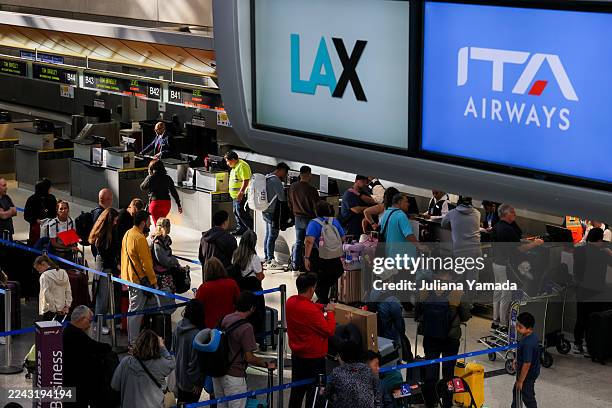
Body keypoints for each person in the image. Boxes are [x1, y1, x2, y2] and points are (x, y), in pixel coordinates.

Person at [213, 291, 277, 408]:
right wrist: (266, 364)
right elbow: (249, 357)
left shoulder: (225, 318)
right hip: (234, 376)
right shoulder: (246, 327)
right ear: (252, 308)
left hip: (218, 373)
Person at [415, 281, 471, 408]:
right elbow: (466, 316)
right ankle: (446, 404)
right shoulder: (457, 292)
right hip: (450, 339)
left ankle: (431, 403)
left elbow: (417, 315)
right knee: (448, 373)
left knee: (431, 373)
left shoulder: (424, 290)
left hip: (430, 338)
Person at [287, 273, 336, 408]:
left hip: (298, 357)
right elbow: (329, 330)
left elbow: (307, 307)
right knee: (315, 394)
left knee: (296, 392)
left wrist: (321, 307)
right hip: (315, 359)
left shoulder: (290, 302)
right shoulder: (311, 311)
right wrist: (330, 312)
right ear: (311, 289)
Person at [491, 204, 544, 331]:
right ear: (506, 214)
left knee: (498, 293)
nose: (515, 214)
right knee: (506, 295)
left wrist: (526, 241)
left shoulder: (497, 226)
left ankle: (495, 321)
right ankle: (503, 324)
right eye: (513, 212)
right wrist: (535, 243)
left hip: (496, 263)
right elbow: (519, 249)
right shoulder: (507, 229)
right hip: (506, 265)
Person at [63, 305, 114, 408]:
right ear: (81, 319)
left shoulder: (67, 331)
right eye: (89, 321)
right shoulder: (78, 337)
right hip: (78, 387)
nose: (90, 325)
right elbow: (99, 347)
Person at [111, 329, 176, 408]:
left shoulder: (126, 362)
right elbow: (171, 363)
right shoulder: (160, 364)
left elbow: (114, 385)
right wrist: (162, 346)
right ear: (156, 346)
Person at [572, 228, 612, 354]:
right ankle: (591, 347)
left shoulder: (578, 250)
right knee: (593, 320)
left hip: (581, 288)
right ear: (600, 240)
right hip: (597, 290)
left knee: (581, 317)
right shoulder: (603, 254)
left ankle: (577, 343)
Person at [121, 210, 157, 346]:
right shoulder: (140, 238)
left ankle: (133, 340)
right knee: (135, 312)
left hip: (129, 277)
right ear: (143, 222)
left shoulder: (128, 233)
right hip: (138, 280)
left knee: (133, 310)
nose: (150, 223)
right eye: (148, 221)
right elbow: (146, 263)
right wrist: (153, 281)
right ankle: (134, 342)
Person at [304, 201, 345, 303]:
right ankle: (330, 299)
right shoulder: (335, 221)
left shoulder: (314, 223)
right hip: (335, 258)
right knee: (332, 277)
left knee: (320, 281)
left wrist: (306, 258)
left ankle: (323, 303)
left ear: (316, 212)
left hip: (320, 259)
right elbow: (343, 238)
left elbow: (309, 242)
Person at [89, 207, 121, 335]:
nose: (115, 223)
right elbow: (104, 253)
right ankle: (98, 324)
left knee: (107, 297)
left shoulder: (111, 231)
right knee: (102, 298)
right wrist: (115, 266)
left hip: (108, 266)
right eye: (114, 220)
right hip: (104, 268)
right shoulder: (103, 235)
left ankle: (103, 322)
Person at [149, 217, 181, 346]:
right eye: (168, 226)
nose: (169, 229)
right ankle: (163, 337)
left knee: (167, 302)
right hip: (161, 278)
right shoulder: (157, 243)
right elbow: (164, 260)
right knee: (163, 304)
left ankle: (166, 335)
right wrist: (174, 261)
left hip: (167, 276)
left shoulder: (165, 240)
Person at [325, 341, 381, 408]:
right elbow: (377, 393)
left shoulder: (337, 372)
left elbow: (328, 394)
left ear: (342, 356)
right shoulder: (368, 370)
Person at [231, 230, 266, 339]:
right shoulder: (254, 258)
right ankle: (257, 336)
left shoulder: (235, 255)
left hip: (240, 290)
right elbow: (260, 276)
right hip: (253, 291)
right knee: (256, 315)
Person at [172, 299, 206, 404]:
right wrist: (197, 382)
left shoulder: (178, 327)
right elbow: (194, 363)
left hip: (179, 376)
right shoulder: (197, 335)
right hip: (191, 384)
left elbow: (174, 349)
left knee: (181, 402)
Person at [288, 165, 320, 271]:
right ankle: (311, 264)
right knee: (312, 242)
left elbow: (290, 203)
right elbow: (317, 206)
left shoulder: (292, 187)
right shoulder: (312, 190)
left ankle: (296, 265)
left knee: (299, 242)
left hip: (297, 218)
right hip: (310, 219)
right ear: (308, 174)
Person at [195, 257, 240, 329]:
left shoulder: (204, 288)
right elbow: (238, 302)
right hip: (229, 323)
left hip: (210, 326)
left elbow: (197, 308)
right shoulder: (232, 283)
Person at [262, 162, 289, 269]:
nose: (285, 176)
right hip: (273, 212)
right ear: (281, 170)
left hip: (265, 210)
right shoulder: (276, 180)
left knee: (268, 234)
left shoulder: (268, 177)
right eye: (285, 174)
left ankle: (267, 257)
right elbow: (282, 198)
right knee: (272, 235)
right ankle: (270, 259)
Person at [512, 312, 541, 408]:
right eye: (517, 325)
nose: (517, 328)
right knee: (516, 391)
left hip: (527, 375)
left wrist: (520, 381)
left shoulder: (528, 344)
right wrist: (516, 359)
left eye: (520, 327)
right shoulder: (530, 336)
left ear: (529, 329)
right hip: (529, 373)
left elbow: (527, 364)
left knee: (527, 397)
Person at [140, 159, 182, 225]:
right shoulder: (168, 178)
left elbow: (142, 187)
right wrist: (179, 204)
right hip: (166, 204)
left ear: (151, 168)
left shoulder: (151, 177)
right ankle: (163, 234)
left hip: (155, 204)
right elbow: (173, 192)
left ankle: (160, 235)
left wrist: (149, 176)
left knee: (158, 226)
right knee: (162, 224)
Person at [34, 255, 72, 321]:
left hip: (50, 310)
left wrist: (55, 309)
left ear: (43, 264)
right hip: (63, 309)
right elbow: (68, 290)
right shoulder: (63, 272)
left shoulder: (44, 276)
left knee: (47, 330)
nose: (39, 272)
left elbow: (46, 294)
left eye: (38, 269)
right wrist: (67, 306)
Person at [339, 174, 377, 239]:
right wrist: (370, 209)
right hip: (352, 228)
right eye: (363, 181)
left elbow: (372, 201)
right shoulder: (349, 194)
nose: (365, 183)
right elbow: (357, 210)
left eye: (366, 181)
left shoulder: (363, 192)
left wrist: (359, 194)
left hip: (362, 227)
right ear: (356, 181)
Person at [225, 150, 253, 235]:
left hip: (242, 195)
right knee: (236, 212)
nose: (227, 163)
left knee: (241, 212)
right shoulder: (235, 166)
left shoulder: (242, 166)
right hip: (235, 196)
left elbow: (246, 180)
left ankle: (250, 230)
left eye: (228, 161)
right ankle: (241, 229)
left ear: (233, 159)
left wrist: (241, 193)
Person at [23, 178, 57, 246]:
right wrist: (36, 220)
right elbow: (27, 215)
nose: (51, 189)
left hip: (50, 229)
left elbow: (55, 213)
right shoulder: (32, 200)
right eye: (49, 187)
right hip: (36, 231)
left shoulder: (51, 198)